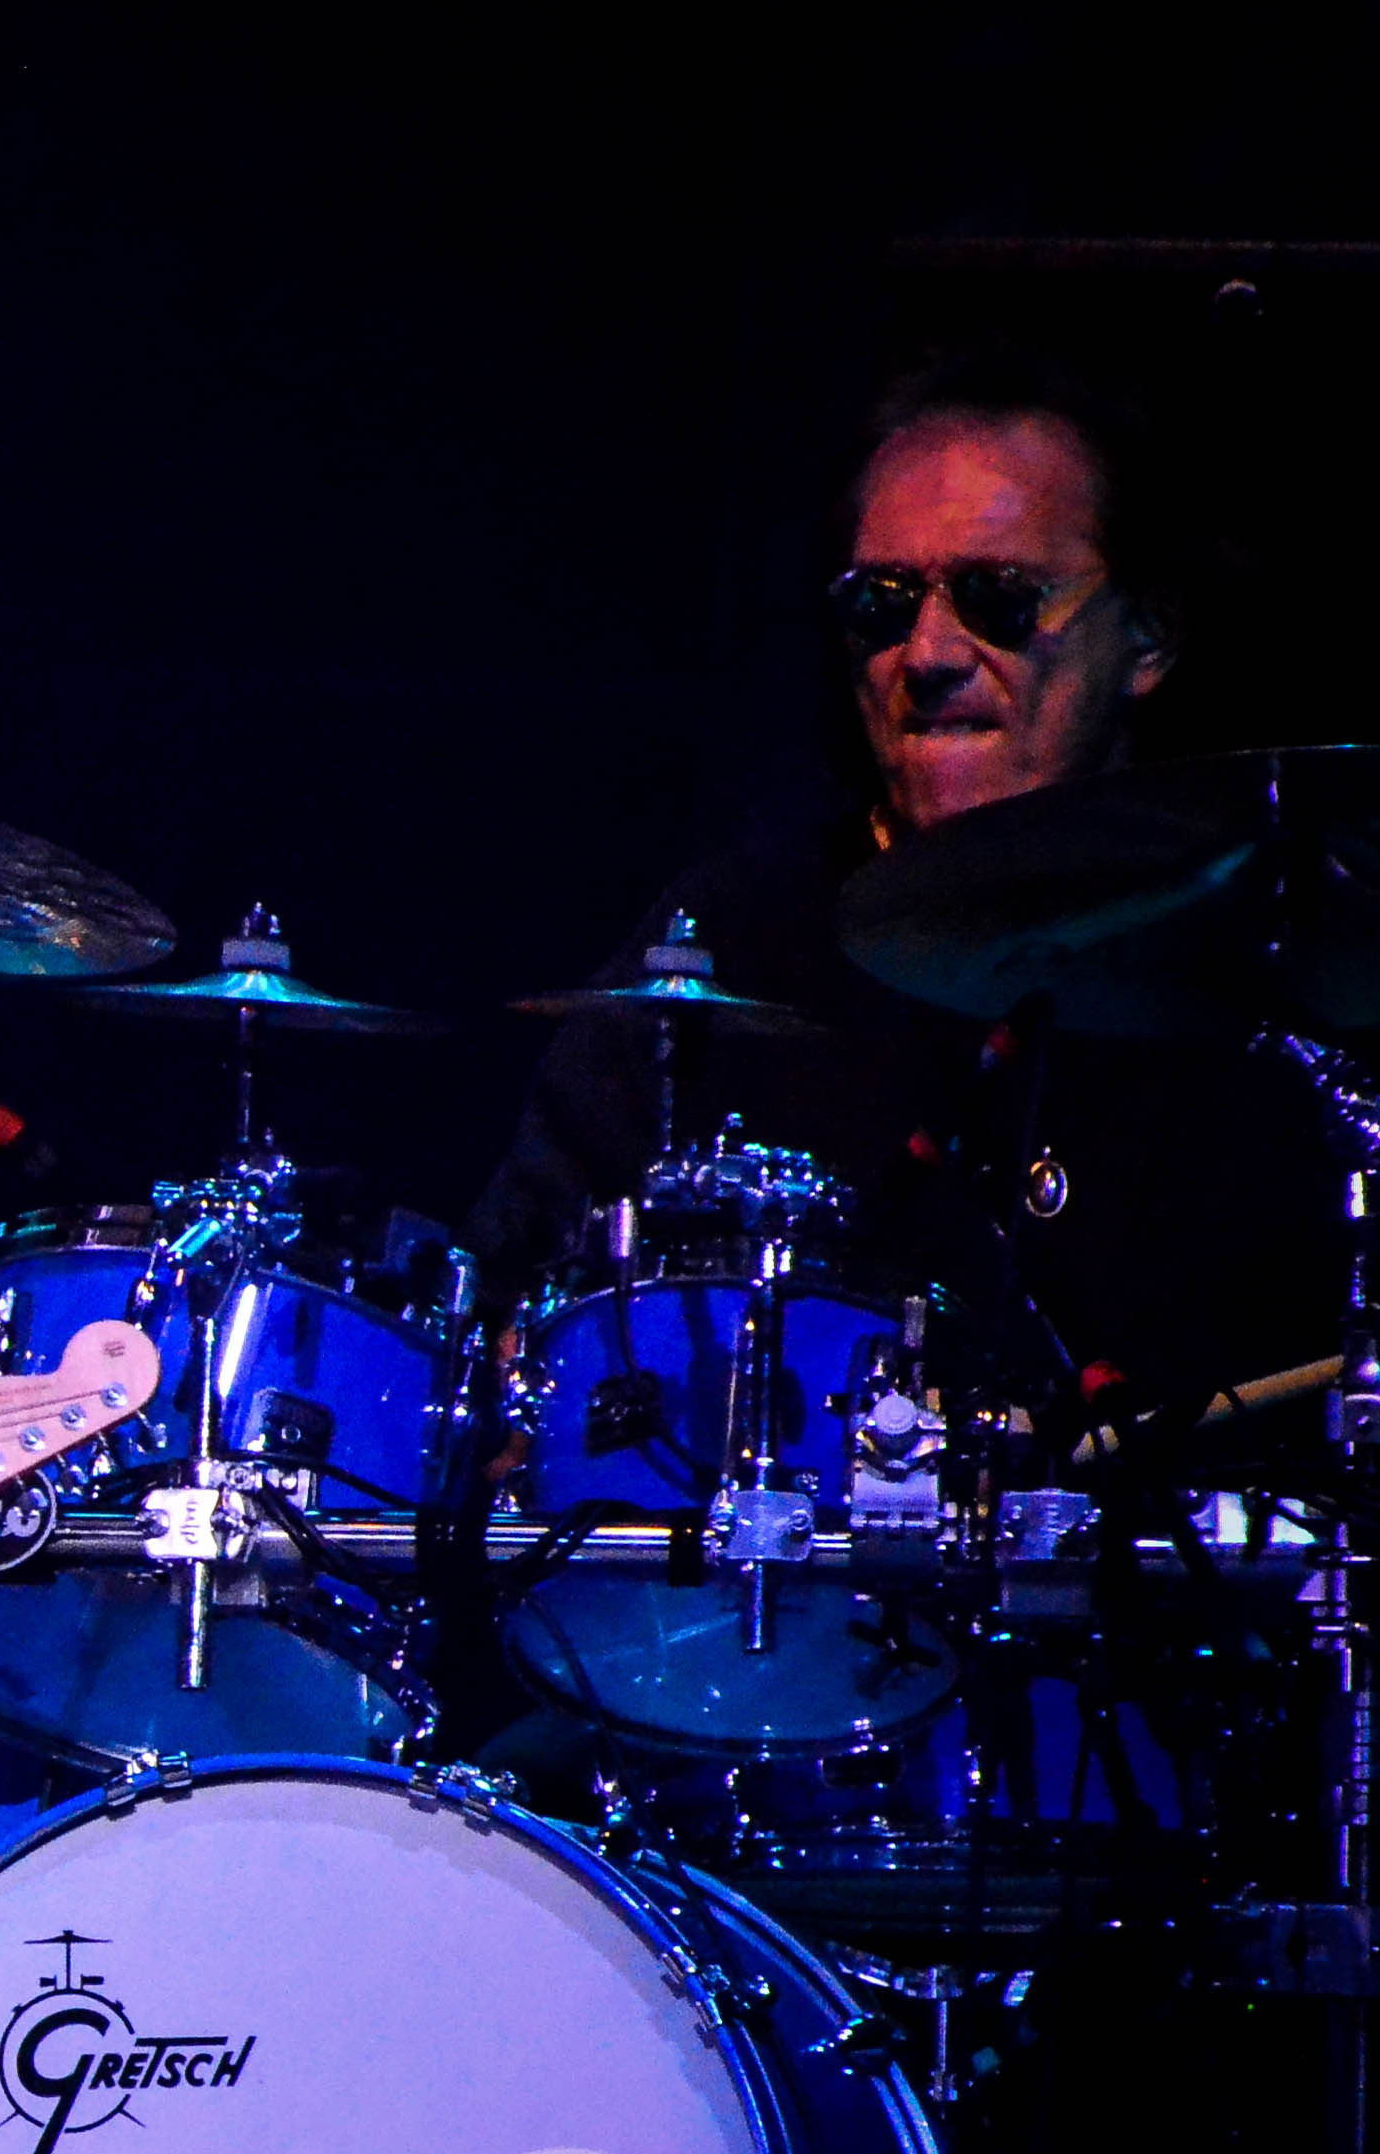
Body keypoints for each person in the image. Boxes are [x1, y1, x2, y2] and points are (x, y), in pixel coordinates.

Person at [468, 351, 1338, 1417]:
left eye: (995, 597)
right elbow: (510, 1305)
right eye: (881, 601)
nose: (927, 651)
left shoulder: (1283, 942)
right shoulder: (733, 939)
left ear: (1146, 637)